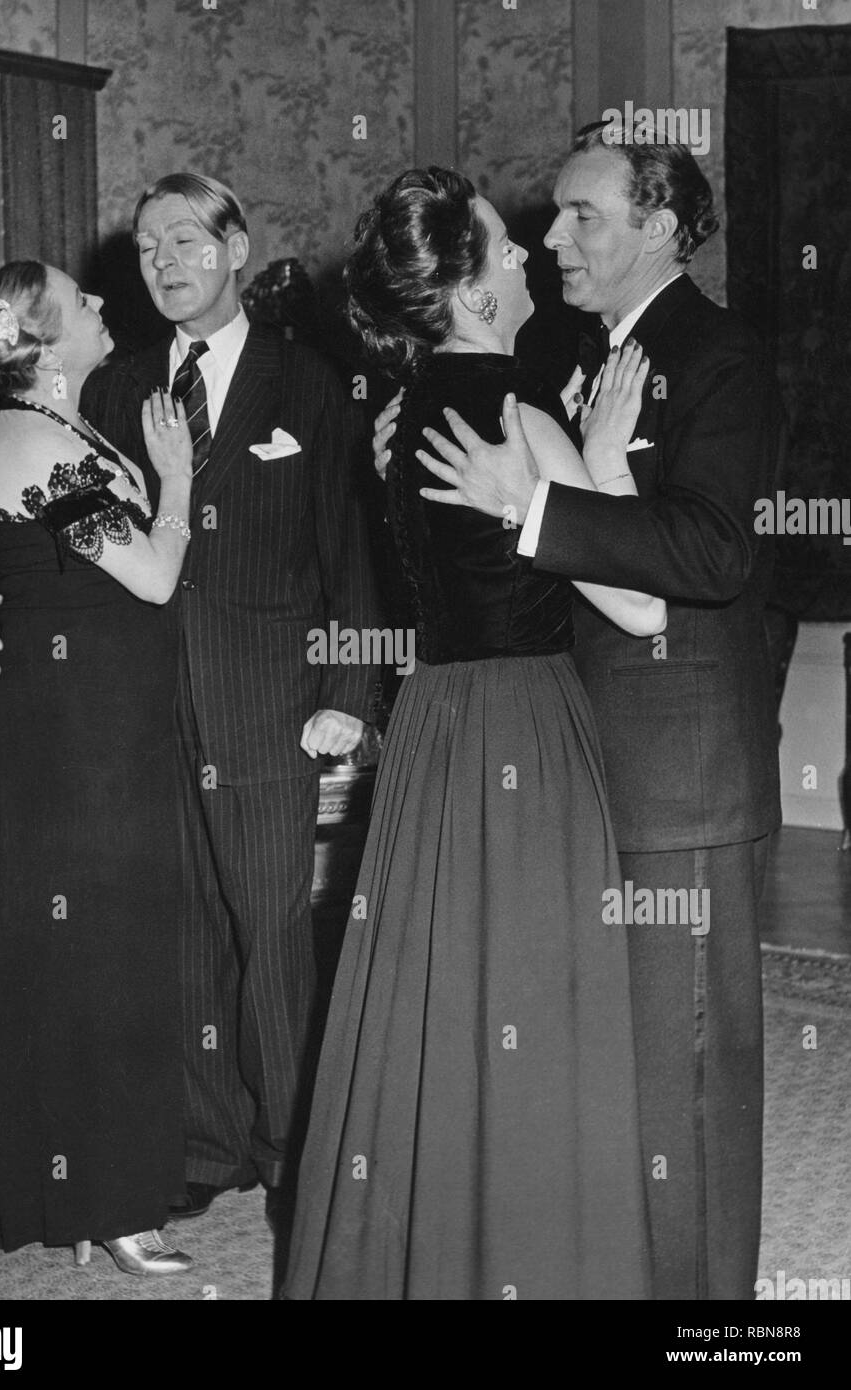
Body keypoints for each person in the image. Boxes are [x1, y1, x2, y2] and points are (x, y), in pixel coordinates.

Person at [381, 125, 780, 1300]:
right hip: (568, 759)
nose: (551, 233)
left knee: (688, 1069)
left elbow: (709, 552)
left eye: (581, 215)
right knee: (609, 1073)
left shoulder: (719, 358)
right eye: (545, 218)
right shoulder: (560, 352)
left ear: (658, 225)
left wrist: (539, 506)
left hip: (677, 766)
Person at [283, 167, 666, 1300]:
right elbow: (640, 605)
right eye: (504, 247)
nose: (523, 255)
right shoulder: (519, 414)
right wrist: (597, 459)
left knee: (433, 996)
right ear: (469, 286)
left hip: (435, 727)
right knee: (535, 997)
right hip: (527, 723)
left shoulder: (396, 423)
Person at [0, 175, 381, 1223]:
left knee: (272, 931)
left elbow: (353, 554)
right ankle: (202, 1144)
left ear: (236, 247)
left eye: (186, 239)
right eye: (146, 243)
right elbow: (54, 527)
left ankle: (295, 1148)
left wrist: (346, 690)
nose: (162, 261)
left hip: (264, 703)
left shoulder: (311, 382)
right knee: (182, 936)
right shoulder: (108, 383)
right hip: (139, 718)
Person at [0, 259, 197, 1275]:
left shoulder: (64, 431)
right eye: (80, 300)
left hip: (104, 723)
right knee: (100, 959)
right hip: (82, 739)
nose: (98, 304)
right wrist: (176, 482)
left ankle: (93, 1188)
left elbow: (44, 575)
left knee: (113, 949)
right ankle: (105, 1202)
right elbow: (152, 571)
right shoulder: (35, 440)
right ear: (44, 342)